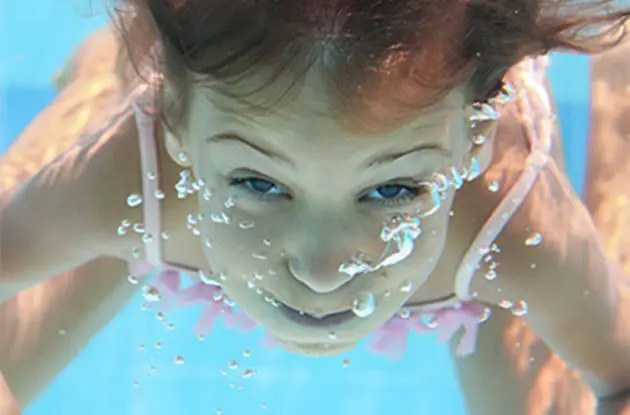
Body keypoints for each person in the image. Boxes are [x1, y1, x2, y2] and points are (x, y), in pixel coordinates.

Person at [2, 0, 630, 413]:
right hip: (174, 161)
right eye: (260, 183)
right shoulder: (132, 178)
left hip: (464, 205)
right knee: (122, 209)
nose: (323, 270)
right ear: (173, 124)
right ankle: (104, 73)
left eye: (391, 190)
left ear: (473, 140)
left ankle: (618, 82)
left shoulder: (507, 226)